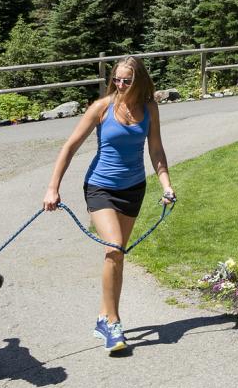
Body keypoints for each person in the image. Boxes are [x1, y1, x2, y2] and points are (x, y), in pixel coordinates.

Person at [42, 56, 175, 353]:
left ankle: (103, 316)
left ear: (139, 80)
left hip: (133, 189)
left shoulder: (149, 108)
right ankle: (114, 323)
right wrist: (53, 188)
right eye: (117, 79)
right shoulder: (102, 108)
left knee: (118, 255)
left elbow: (156, 149)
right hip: (100, 187)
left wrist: (166, 184)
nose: (121, 85)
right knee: (113, 247)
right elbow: (70, 146)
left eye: (127, 80)